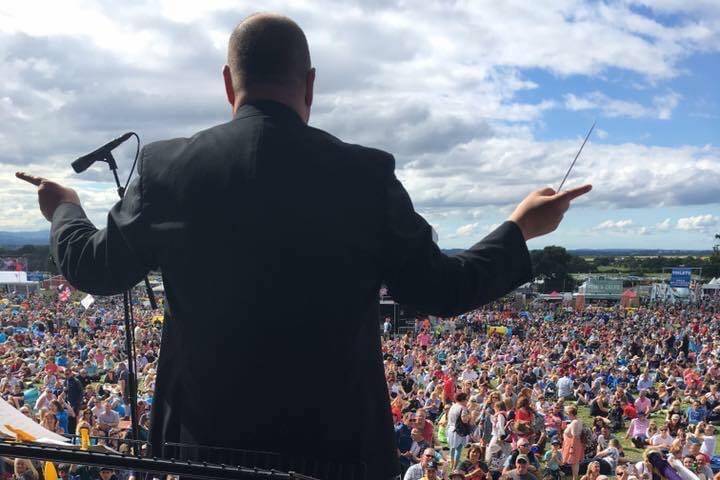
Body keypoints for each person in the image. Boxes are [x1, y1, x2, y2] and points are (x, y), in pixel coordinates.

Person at [16, 13, 590, 480]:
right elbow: (443, 288)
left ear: (226, 83)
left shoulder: (168, 168)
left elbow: (94, 267)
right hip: (338, 455)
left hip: (204, 456)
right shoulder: (366, 174)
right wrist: (520, 228)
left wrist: (63, 205)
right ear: (310, 84)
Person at [562, 405, 584, 480]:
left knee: (574, 462)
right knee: (574, 462)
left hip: (573, 443)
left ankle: (575, 478)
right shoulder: (577, 420)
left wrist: (572, 447)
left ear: (571, 414)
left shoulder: (574, 422)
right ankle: (574, 477)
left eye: (567, 414)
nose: (567, 415)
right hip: (572, 443)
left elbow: (575, 435)